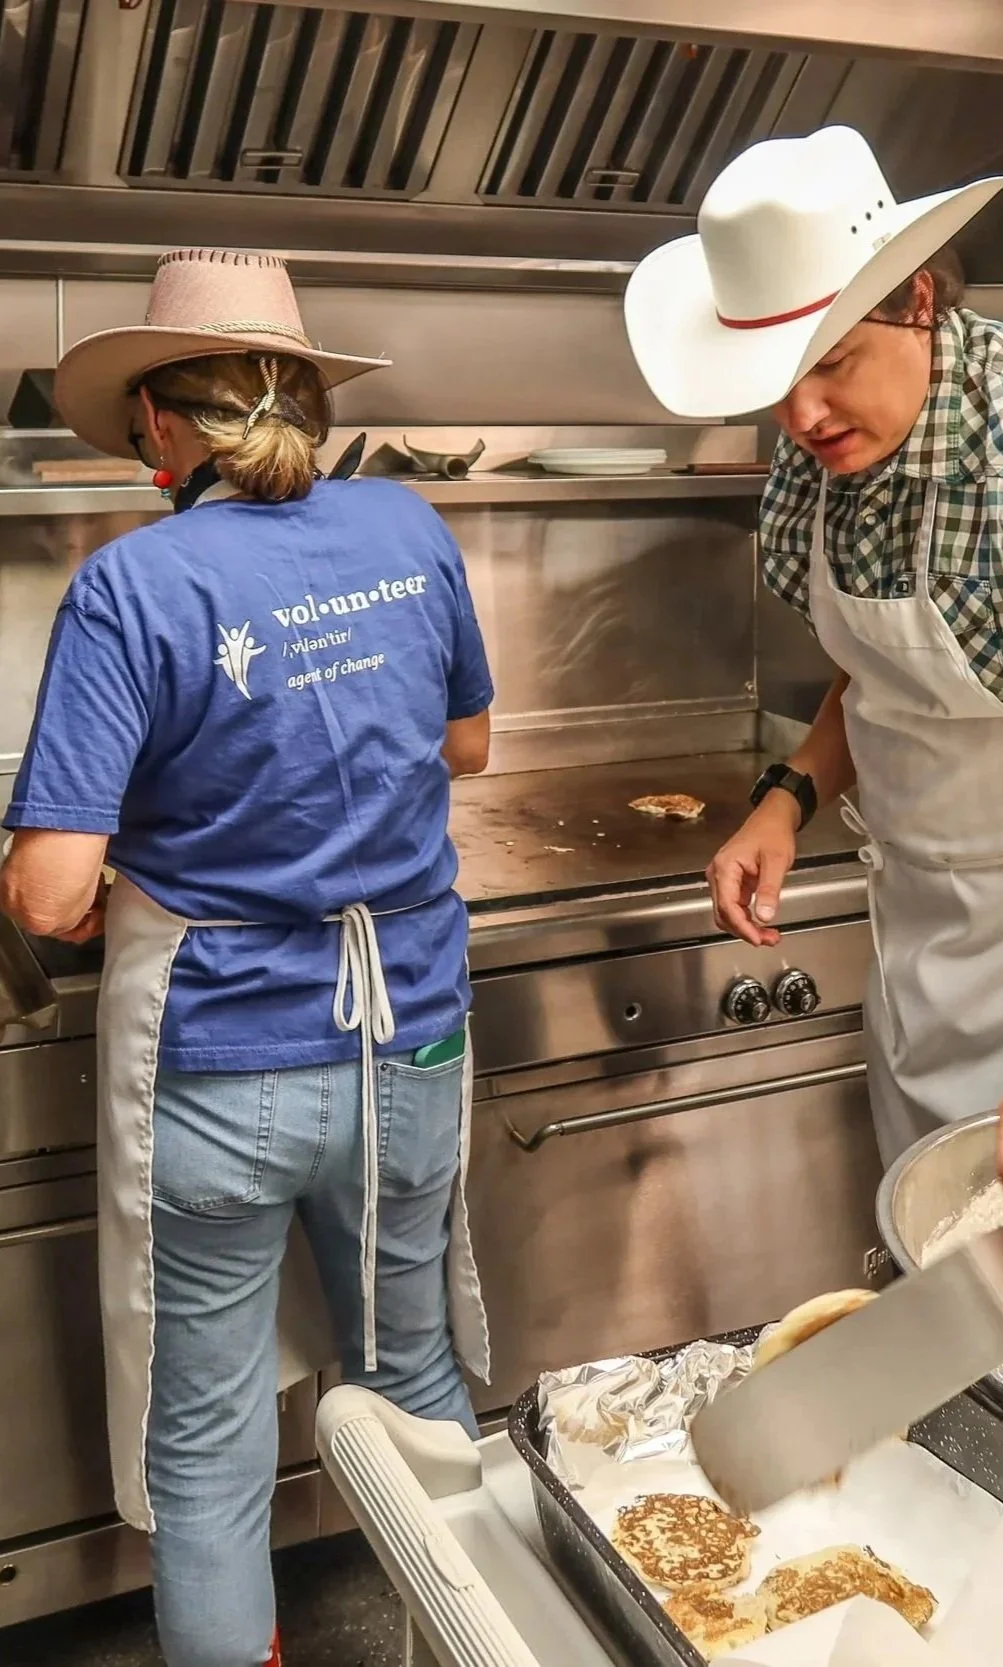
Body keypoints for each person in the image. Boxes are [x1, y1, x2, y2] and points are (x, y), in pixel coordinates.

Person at [0, 248, 494, 1667]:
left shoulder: (130, 583)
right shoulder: (408, 529)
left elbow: (47, 890)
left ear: (160, 427)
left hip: (222, 1060)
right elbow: (466, 745)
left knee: (210, 1446)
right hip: (410, 1038)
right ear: (311, 408)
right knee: (412, 1375)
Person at [623, 126, 1003, 1265]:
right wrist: (786, 796)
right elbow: (881, 675)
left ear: (919, 296)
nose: (805, 416)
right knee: (948, 1311)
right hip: (926, 961)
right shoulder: (824, 460)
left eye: (831, 362)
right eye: (777, 384)